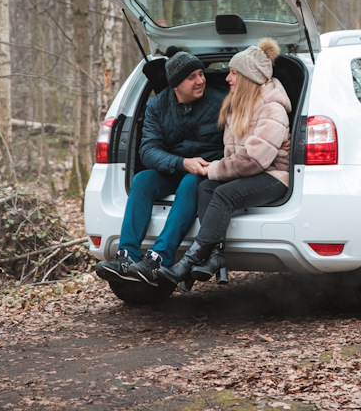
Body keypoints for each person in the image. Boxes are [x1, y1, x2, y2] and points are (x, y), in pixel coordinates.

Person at [159, 37, 291, 286]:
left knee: (223, 194)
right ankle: (215, 258)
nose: (227, 78)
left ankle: (189, 262)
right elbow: (234, 155)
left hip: (274, 176)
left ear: (249, 77)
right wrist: (212, 171)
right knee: (205, 187)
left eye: (233, 73)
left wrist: (215, 168)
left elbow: (253, 161)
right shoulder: (237, 106)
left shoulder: (272, 109)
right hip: (253, 172)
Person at [95, 49, 224, 286]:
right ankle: (127, 256)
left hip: (207, 171)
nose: (201, 80)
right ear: (175, 85)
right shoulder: (157, 105)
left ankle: (158, 258)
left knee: (189, 184)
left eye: (201, 74)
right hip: (175, 167)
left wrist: (212, 166)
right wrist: (181, 163)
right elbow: (148, 150)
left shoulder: (221, 103)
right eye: (192, 77)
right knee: (143, 179)